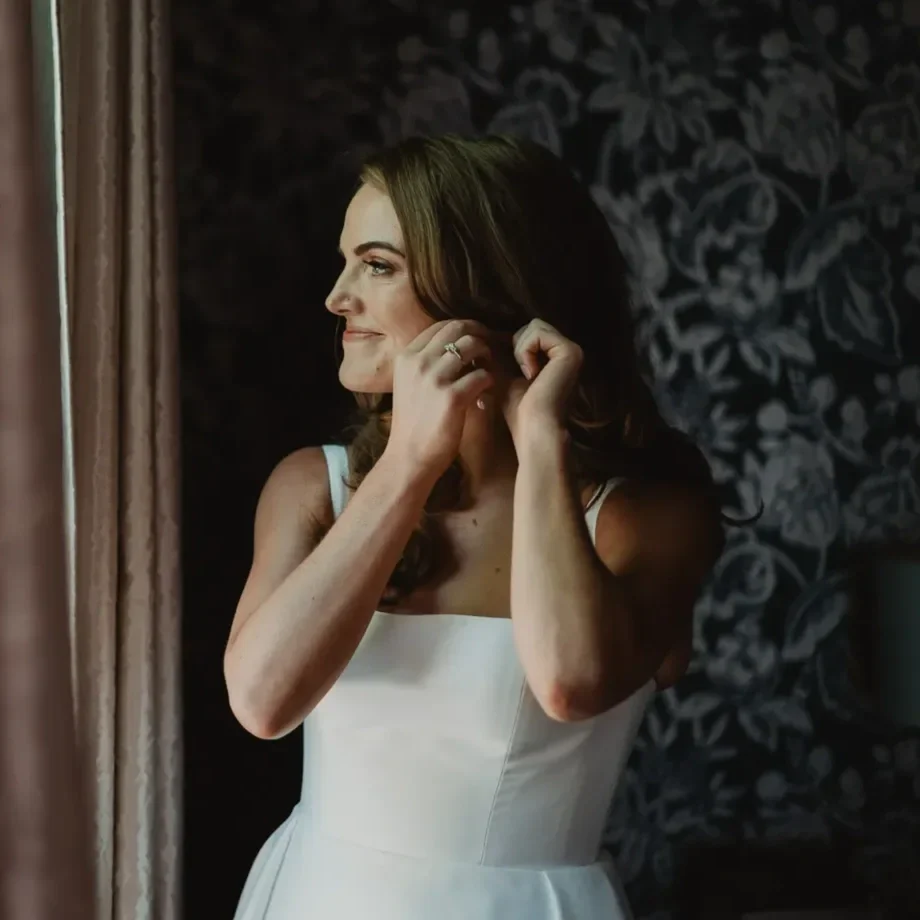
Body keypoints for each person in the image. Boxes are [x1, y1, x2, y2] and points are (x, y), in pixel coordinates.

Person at [224, 134, 725, 920]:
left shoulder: (647, 514)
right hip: (318, 896)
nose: (337, 295)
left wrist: (542, 445)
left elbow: (569, 681)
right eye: (346, 259)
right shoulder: (311, 488)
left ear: (484, 285)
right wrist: (409, 464)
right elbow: (261, 702)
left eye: (377, 264)